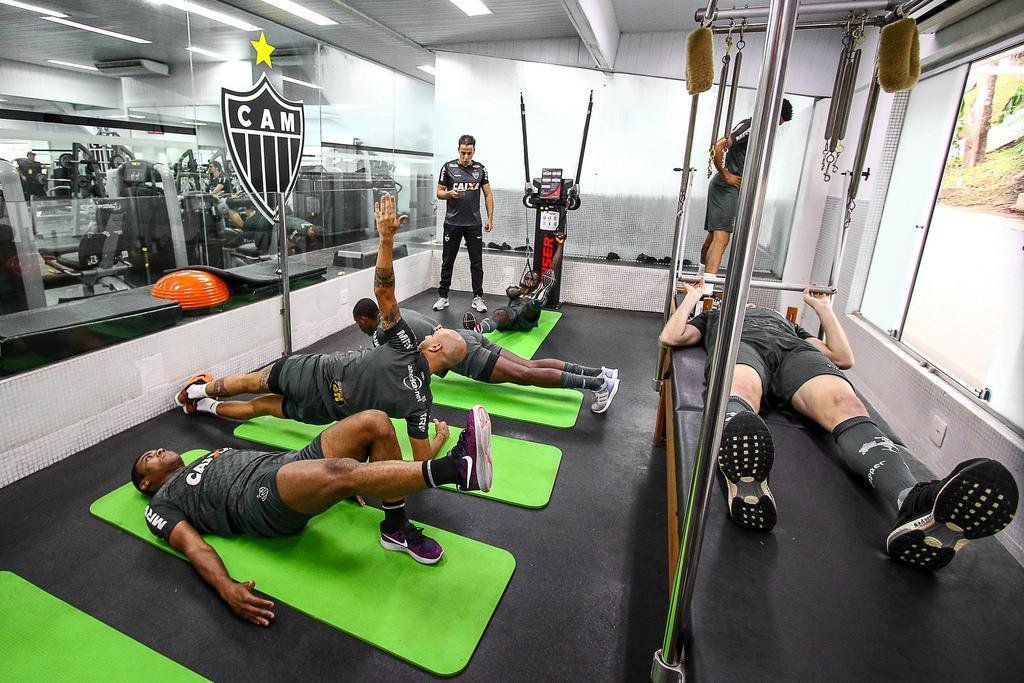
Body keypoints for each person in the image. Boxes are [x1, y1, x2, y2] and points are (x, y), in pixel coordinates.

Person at [659, 282, 1019, 570]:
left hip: (796, 355)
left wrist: (824, 309)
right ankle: (743, 474)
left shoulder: (790, 324)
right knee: (740, 388)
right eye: (744, 301)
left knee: (847, 403)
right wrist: (693, 298)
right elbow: (671, 337)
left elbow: (843, 358)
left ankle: (912, 500)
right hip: (741, 344)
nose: (750, 303)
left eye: (753, 302)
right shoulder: (716, 317)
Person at [177, 193, 469, 462]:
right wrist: (441, 437)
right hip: (320, 411)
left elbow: (383, 293)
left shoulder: (405, 344)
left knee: (251, 382)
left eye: (436, 334)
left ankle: (194, 394)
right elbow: (420, 462)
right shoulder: (421, 403)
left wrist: (386, 240)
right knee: (260, 408)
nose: (431, 333)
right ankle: (205, 408)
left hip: (307, 373)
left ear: (435, 346)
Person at [132, 406, 493, 623]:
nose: (159, 449)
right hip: (258, 502)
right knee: (340, 472)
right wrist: (226, 588)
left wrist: (314, 484)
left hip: (284, 464)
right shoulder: (160, 504)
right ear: (147, 483)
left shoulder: (200, 457)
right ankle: (456, 470)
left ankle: (395, 529)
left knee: (375, 421)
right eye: (149, 457)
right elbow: (193, 547)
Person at [353, 299, 620, 414]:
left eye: (359, 324)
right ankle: (598, 373)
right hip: (464, 336)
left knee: (526, 375)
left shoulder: (380, 331)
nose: (360, 329)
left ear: (365, 318)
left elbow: (384, 365)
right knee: (530, 365)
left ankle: (598, 385)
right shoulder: (401, 313)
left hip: (464, 355)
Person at [701, 99, 793, 287]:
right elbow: (718, 147)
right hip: (726, 188)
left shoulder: (758, 131)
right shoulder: (750, 126)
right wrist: (726, 175)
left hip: (732, 189)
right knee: (722, 239)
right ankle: (705, 292)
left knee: (714, 238)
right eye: (778, 122)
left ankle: (701, 275)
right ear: (773, 115)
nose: (776, 128)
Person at [434, 134, 494, 314]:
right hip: (452, 223)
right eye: (463, 153)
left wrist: (490, 218)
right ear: (458, 150)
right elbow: (439, 192)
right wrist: (450, 194)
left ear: (474, 151)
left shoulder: (481, 169)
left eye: (469, 153)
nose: (466, 157)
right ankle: (443, 296)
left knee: (476, 262)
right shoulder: (448, 168)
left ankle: (478, 297)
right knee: (447, 260)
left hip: (473, 224)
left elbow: (488, 194)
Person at [463, 233, 564, 335]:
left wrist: (560, 245)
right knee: (500, 314)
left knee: (531, 305)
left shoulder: (534, 293)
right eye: (527, 278)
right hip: (511, 317)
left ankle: (538, 298)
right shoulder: (516, 290)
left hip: (526, 320)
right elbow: (509, 292)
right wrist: (520, 291)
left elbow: (553, 267)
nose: (528, 281)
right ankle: (477, 330)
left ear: (538, 283)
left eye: (532, 280)